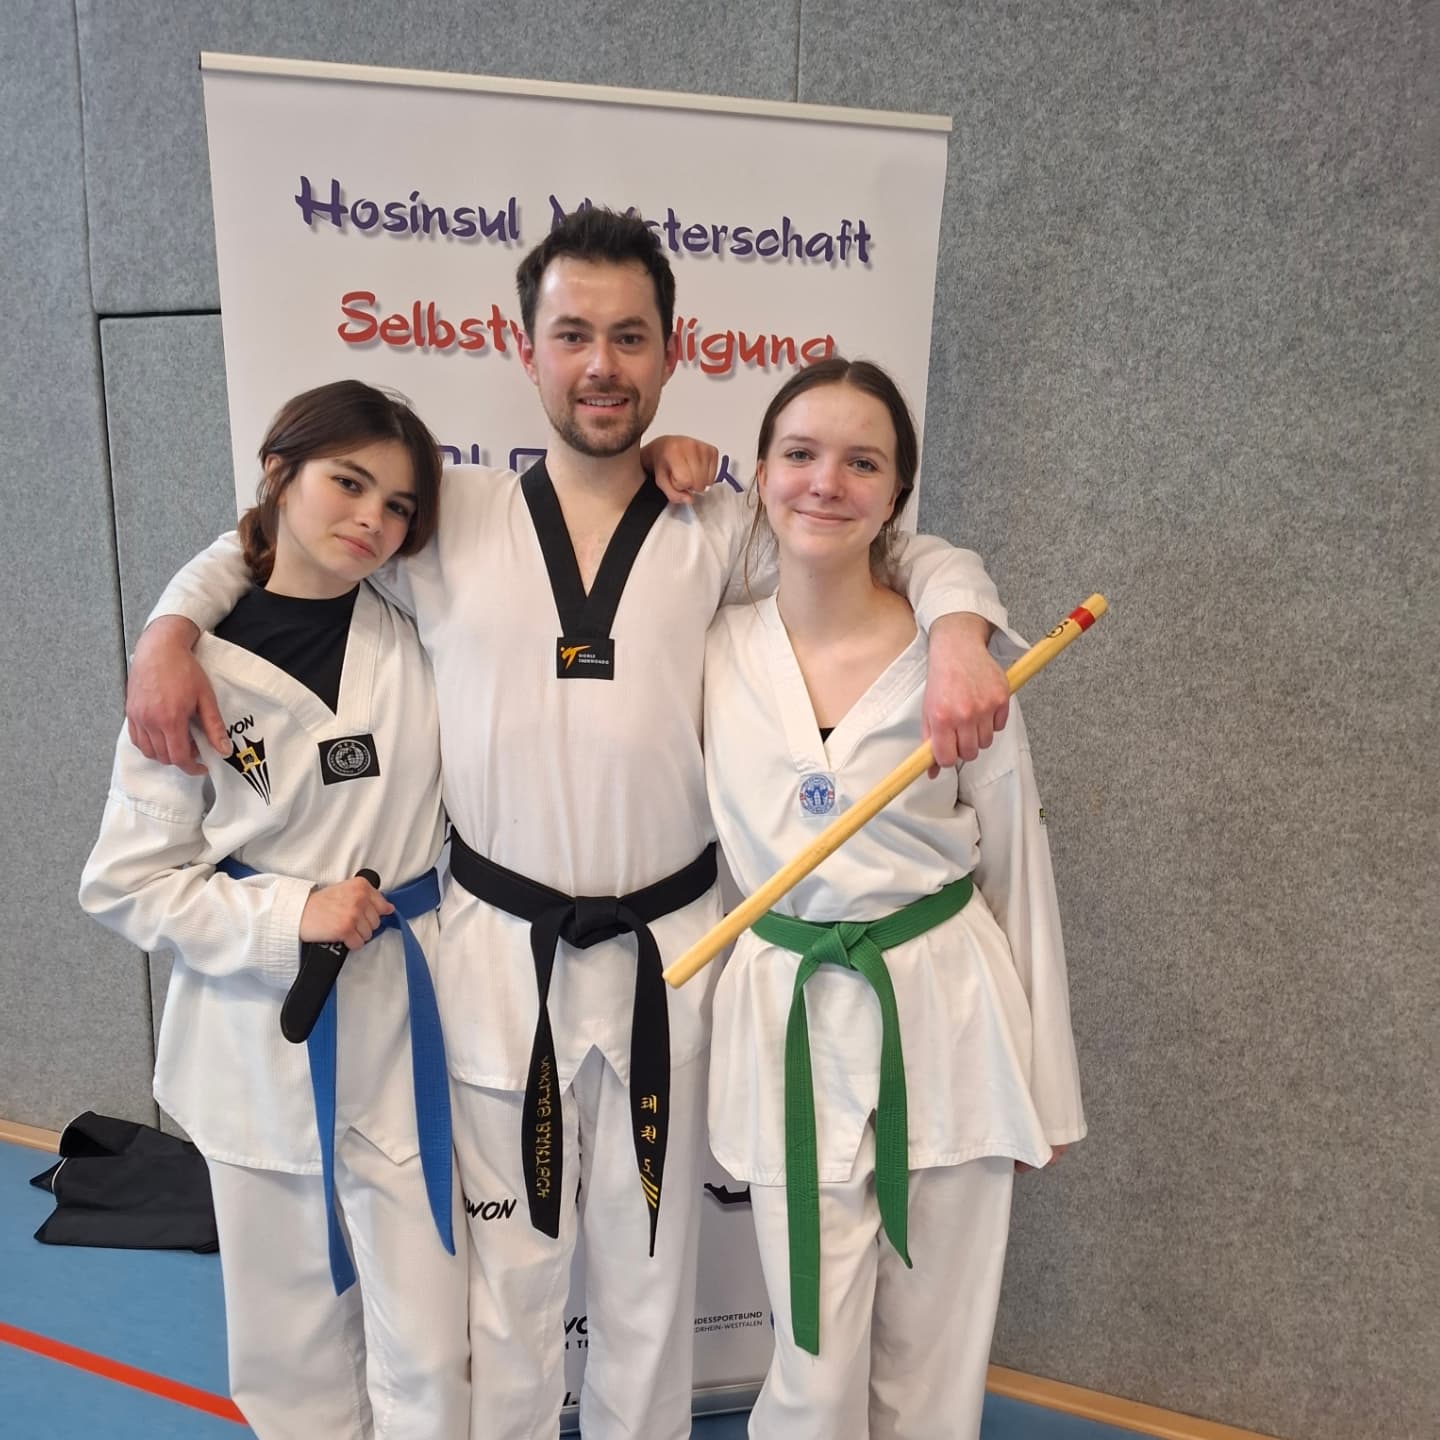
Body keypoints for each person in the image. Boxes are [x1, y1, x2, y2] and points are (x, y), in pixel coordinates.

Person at [123, 210, 1015, 1440]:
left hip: (673, 956)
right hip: (499, 958)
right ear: (524, 348)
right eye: (574, 334)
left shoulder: (723, 525)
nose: (603, 363)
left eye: (631, 337)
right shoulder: (448, 516)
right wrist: (170, 629)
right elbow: (284, 539)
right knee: (512, 1292)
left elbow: (894, 544)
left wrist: (961, 629)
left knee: (648, 1287)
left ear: (672, 352)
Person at [702, 358, 1086, 1440]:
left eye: (862, 462)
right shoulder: (712, 649)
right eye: (800, 454)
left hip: (947, 1009)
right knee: (813, 1365)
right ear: (761, 473)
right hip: (788, 1011)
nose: (827, 482)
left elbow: (1017, 865)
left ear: (898, 493)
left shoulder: (956, 667)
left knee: (934, 1357)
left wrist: (1046, 1086)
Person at [79, 380, 471, 1440]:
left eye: (397, 505)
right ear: (278, 472)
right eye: (349, 483)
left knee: (434, 1347)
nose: (372, 520)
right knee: (294, 1354)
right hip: (262, 1039)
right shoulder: (191, 674)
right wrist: (287, 915)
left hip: (410, 1026)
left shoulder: (415, 626)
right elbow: (125, 881)